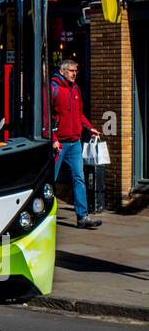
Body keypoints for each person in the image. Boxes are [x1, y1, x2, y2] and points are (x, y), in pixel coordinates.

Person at [51, 58, 102, 229]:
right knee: (51, 180)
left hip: (75, 143)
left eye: (76, 71)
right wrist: (54, 139)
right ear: (63, 71)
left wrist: (89, 128)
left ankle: (82, 217)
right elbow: (46, 116)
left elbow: (79, 114)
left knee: (79, 178)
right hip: (59, 145)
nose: (74, 74)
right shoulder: (54, 88)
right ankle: (44, 216)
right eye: (72, 70)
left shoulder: (76, 89)